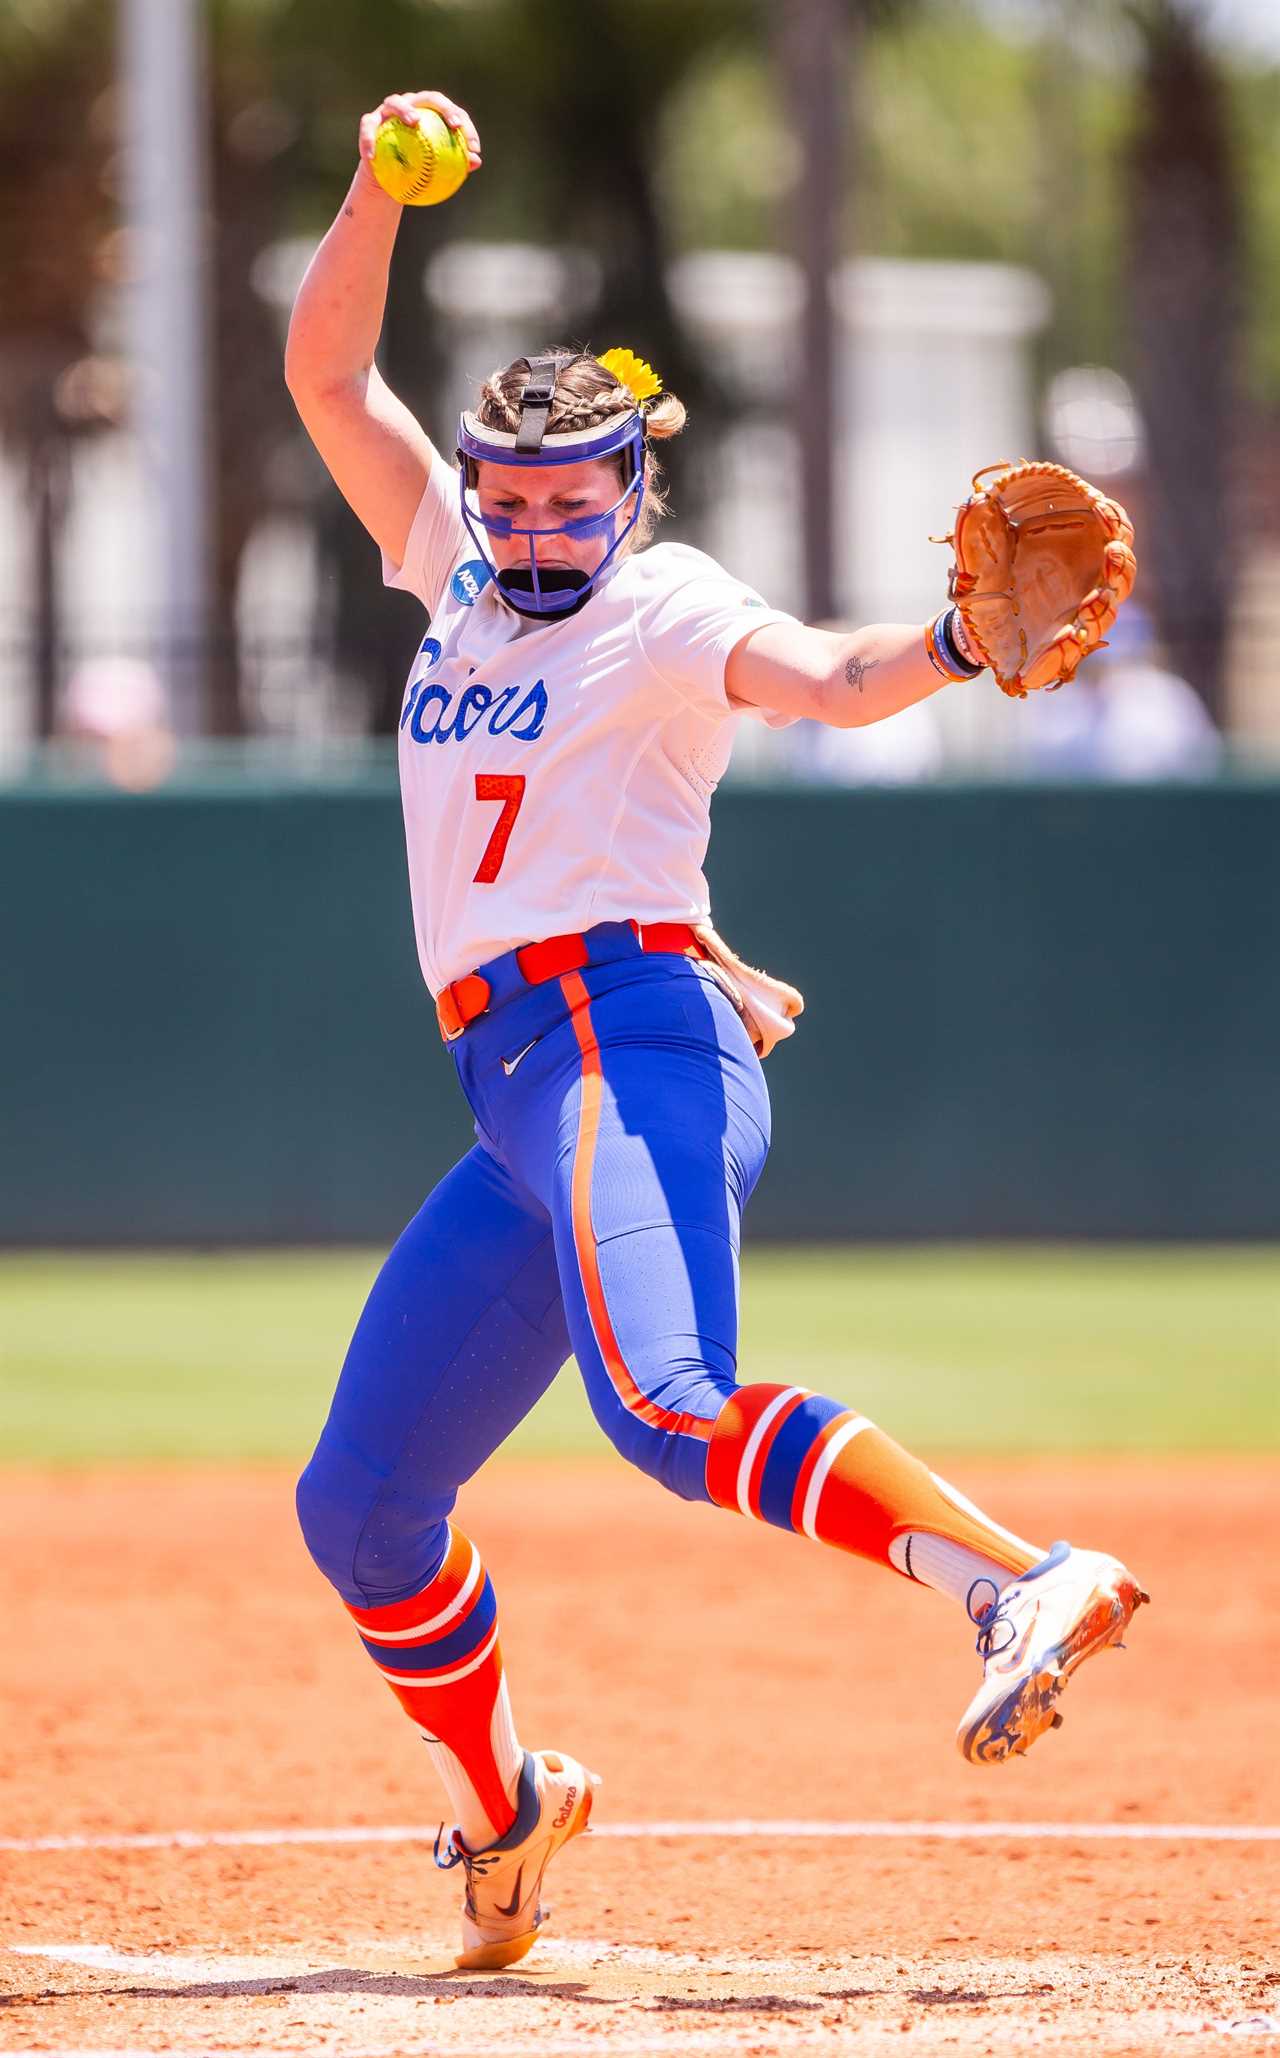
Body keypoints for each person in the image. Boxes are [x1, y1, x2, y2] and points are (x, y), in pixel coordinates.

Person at [285, 88, 1148, 1973]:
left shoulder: (663, 603)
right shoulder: (454, 579)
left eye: (564, 501)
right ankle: (506, 1805)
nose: (524, 528)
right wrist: (371, 188)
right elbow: (333, 380)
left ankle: (1019, 1578)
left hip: (621, 1045)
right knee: (360, 1504)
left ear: (633, 494)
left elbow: (825, 677)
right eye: (506, 501)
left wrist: (950, 642)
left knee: (669, 1406)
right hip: (518, 1082)